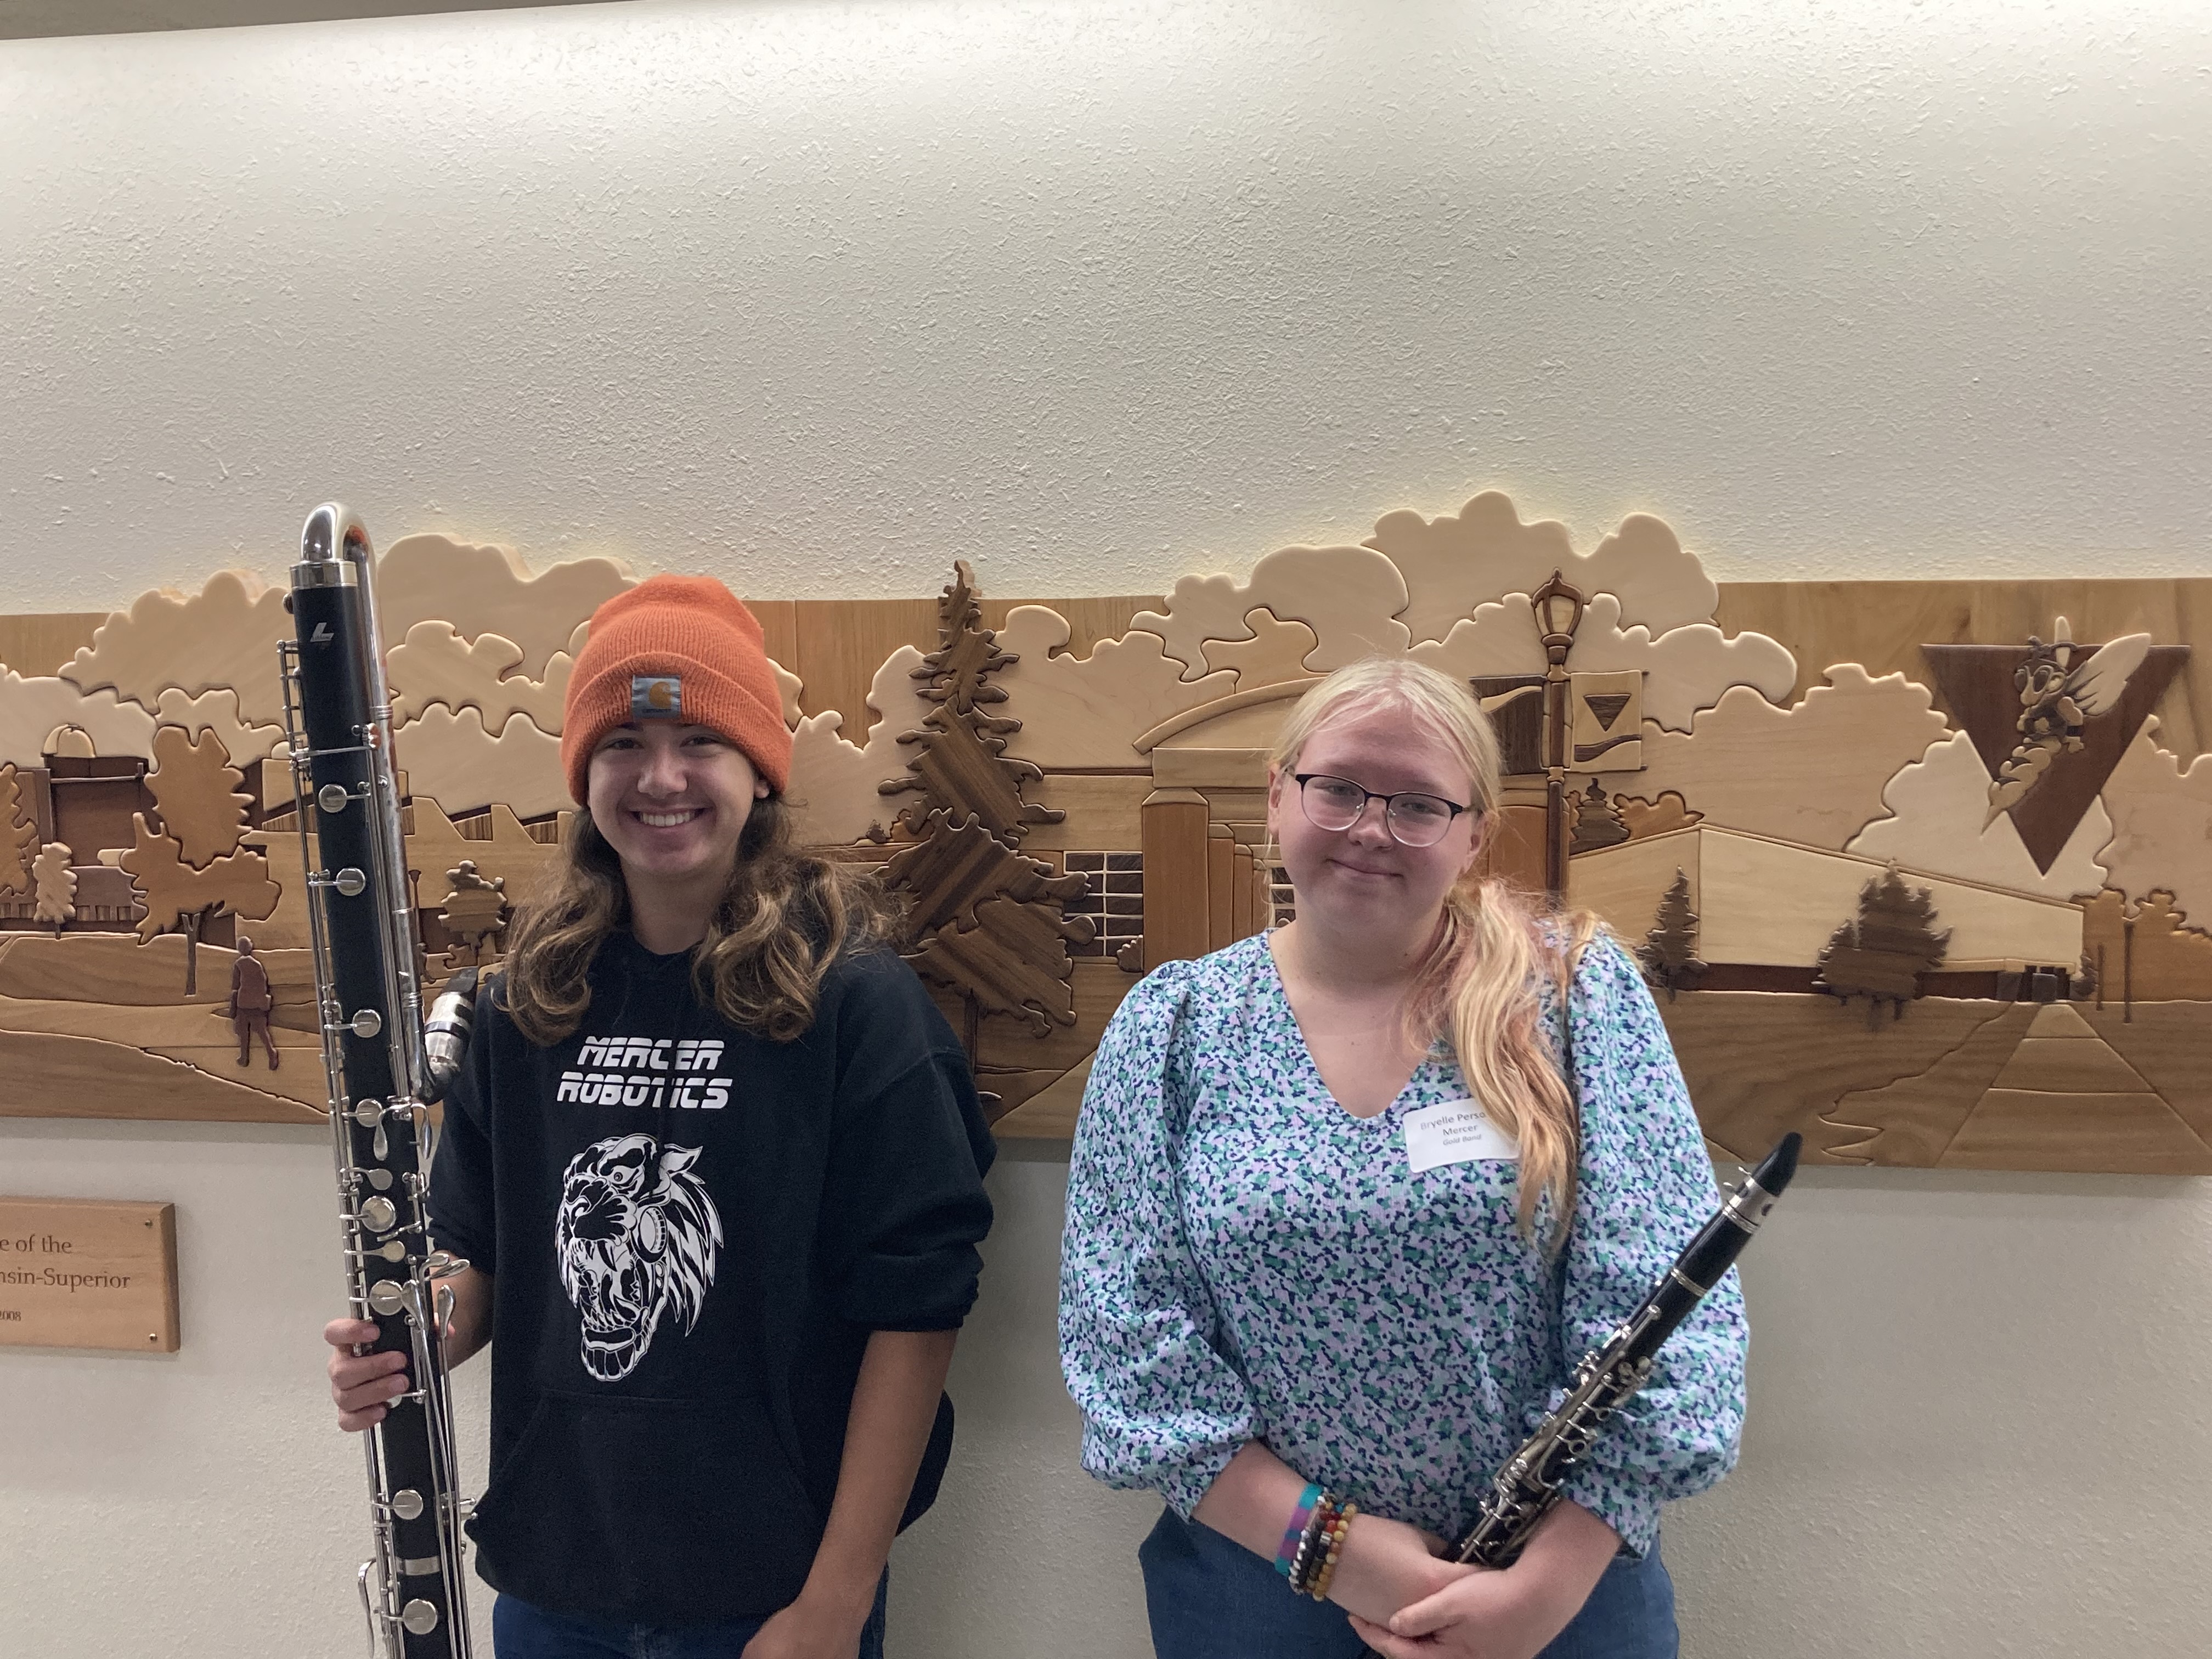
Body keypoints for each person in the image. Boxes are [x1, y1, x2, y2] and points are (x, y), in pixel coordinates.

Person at [323, 576, 997, 1659]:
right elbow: (482, 1260)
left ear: (758, 772)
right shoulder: (523, 1001)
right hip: (557, 1578)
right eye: (625, 741)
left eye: (700, 740)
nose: (663, 777)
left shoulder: (858, 1006)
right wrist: (411, 1338)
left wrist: (835, 1600)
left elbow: (918, 1312)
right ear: (585, 770)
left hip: (774, 1591)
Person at [1058, 657, 1746, 1659]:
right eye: (1336, 787)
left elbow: (1669, 1315)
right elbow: (1128, 1347)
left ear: (1472, 832)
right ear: (1276, 791)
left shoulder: (1573, 996)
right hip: (1260, 1589)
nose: (1370, 826)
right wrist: (1341, 1552)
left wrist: (1539, 1591)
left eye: (1419, 802)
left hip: (1556, 1593)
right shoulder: (1175, 1025)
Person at [226, 933, 279, 1069]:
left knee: (244, 1033)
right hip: (257, 1004)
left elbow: (235, 987)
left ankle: (245, 1057)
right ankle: (270, 1053)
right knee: (262, 1032)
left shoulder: (239, 964)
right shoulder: (257, 965)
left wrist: (233, 1005)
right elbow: (263, 983)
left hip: (244, 1004)